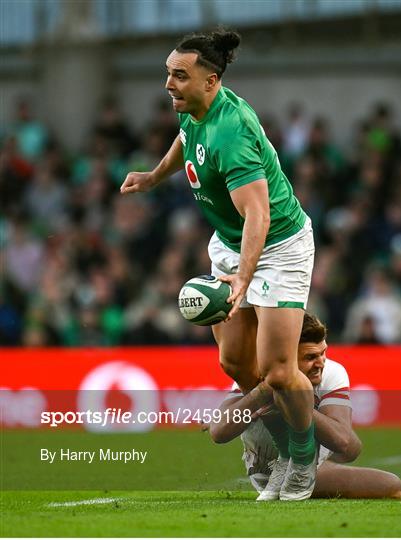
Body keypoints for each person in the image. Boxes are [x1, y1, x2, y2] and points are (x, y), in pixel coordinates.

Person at [120, 29, 316, 500]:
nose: (168, 84)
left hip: (278, 247)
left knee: (276, 369)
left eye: (179, 76)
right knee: (234, 362)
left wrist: (241, 282)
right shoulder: (196, 110)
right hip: (231, 243)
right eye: (168, 73)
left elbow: (259, 215)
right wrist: (153, 176)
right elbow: (185, 142)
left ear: (211, 82)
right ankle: (285, 448)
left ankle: (305, 461)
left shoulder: (232, 131)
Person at [207, 312, 401, 500]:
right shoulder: (258, 375)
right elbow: (218, 432)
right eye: (310, 358)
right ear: (287, 358)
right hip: (266, 472)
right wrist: (265, 391)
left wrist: (295, 405)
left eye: (323, 353)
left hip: (311, 467)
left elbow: (348, 447)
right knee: (390, 485)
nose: (321, 363)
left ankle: (302, 463)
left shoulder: (332, 372)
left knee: (393, 485)